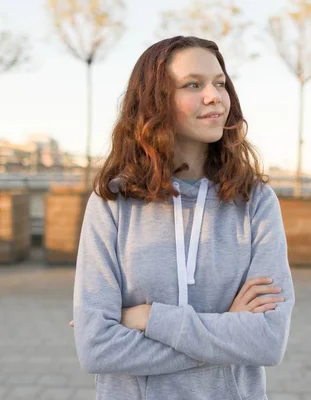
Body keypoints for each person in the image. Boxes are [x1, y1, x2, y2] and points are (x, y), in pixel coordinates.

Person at [70, 36, 295, 400]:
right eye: (193, 84)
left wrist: (146, 317)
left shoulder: (255, 202)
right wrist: (227, 331)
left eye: (220, 83)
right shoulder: (113, 202)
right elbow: (97, 348)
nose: (214, 96)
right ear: (155, 101)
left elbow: (267, 342)